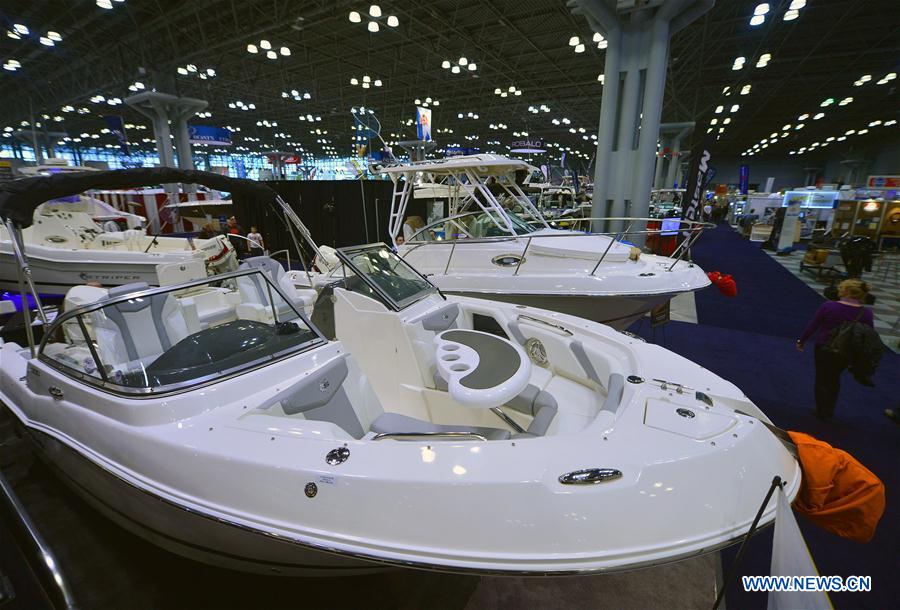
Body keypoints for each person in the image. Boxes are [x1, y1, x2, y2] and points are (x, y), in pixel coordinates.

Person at [796, 279, 875, 421]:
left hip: (824, 347)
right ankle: (830, 409)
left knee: (821, 378)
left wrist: (802, 340)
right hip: (847, 350)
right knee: (835, 377)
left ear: (844, 291)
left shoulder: (829, 306)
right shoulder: (866, 313)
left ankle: (821, 410)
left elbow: (814, 325)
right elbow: (868, 335)